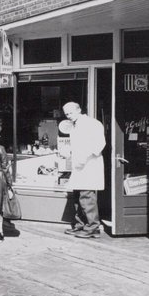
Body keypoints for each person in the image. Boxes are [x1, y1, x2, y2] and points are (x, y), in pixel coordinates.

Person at [62, 101, 106, 238]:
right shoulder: (75, 126)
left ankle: (93, 227)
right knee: (77, 196)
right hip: (79, 167)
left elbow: (99, 144)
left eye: (71, 112)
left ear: (79, 110)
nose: (68, 116)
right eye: (66, 114)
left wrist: (83, 158)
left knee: (87, 196)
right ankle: (80, 224)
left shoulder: (92, 124)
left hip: (89, 166)